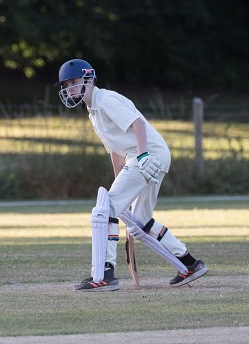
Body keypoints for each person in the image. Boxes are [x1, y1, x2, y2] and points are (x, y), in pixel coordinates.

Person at [54, 59, 208, 292]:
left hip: (146, 155)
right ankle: (190, 264)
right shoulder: (93, 112)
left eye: (74, 82)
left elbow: (137, 123)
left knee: (106, 210)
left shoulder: (105, 100)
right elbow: (115, 150)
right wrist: (120, 182)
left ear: (89, 80)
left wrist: (143, 156)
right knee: (140, 221)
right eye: (66, 85)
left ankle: (104, 274)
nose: (70, 89)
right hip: (149, 155)